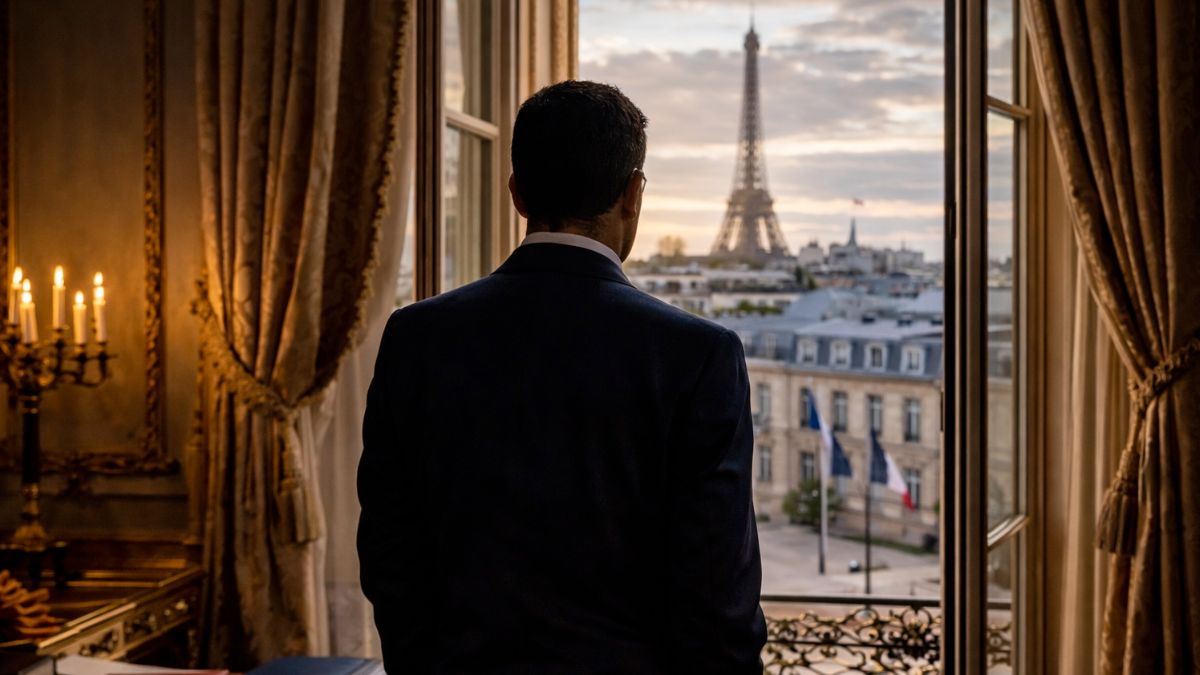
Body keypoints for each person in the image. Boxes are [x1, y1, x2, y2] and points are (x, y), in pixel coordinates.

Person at [358, 80, 766, 674]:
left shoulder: (416, 337)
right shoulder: (698, 355)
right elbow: (719, 597)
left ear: (518, 194)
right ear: (634, 194)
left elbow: (390, 553)